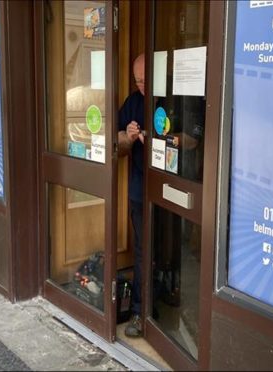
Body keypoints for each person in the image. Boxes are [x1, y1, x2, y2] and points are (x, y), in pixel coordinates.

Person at [118, 53, 145, 338]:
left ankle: (166, 293)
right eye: (138, 81)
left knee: (167, 248)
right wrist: (128, 134)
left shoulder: (176, 94)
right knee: (142, 250)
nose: (142, 86)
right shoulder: (133, 100)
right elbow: (117, 140)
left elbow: (194, 140)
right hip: (140, 188)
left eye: (146, 80)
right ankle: (139, 311)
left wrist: (166, 138)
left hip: (171, 187)